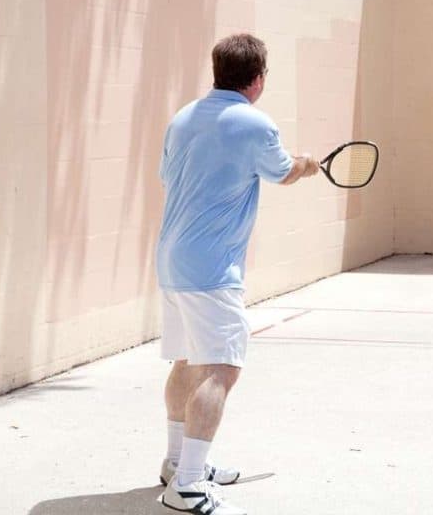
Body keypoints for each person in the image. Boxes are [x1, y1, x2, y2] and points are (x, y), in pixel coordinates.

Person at [155, 33, 319, 514]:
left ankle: (175, 462)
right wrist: (307, 165)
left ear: (217, 70)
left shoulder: (182, 119)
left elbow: (171, 177)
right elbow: (283, 171)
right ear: (258, 79)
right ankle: (185, 486)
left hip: (171, 260)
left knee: (186, 361)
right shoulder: (256, 124)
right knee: (221, 369)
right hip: (211, 270)